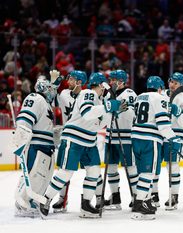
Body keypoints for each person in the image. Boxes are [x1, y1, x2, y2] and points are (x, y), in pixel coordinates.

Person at [38, 72, 124, 218]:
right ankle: (45, 200)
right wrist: (109, 107)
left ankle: (85, 205)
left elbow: (98, 125)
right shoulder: (88, 93)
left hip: (89, 141)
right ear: (102, 85)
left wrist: (112, 113)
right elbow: (87, 113)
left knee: (95, 171)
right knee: (66, 173)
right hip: (74, 138)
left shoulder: (99, 100)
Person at [131, 76, 182, 220]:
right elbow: (163, 123)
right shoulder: (161, 98)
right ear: (160, 88)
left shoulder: (139, 97)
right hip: (150, 139)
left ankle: (145, 200)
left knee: (142, 172)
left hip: (135, 137)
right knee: (149, 173)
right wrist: (173, 138)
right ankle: (139, 204)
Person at [13, 75, 57, 217]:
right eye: (50, 88)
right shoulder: (35, 98)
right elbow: (24, 120)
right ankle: (23, 203)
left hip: (45, 145)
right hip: (36, 145)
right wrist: (22, 135)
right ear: (43, 88)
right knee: (34, 174)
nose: (52, 91)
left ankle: (32, 201)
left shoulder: (44, 102)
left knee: (42, 176)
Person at [97, 69, 138, 210]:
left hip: (125, 136)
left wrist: (120, 109)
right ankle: (115, 197)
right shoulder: (108, 95)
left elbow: (133, 115)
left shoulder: (130, 94)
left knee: (130, 168)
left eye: (114, 79)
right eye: (111, 79)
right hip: (110, 135)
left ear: (122, 81)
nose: (111, 82)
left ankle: (136, 196)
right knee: (111, 168)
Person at [51, 70, 88, 213]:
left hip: (86, 137)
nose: (68, 81)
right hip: (70, 136)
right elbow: (50, 99)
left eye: (72, 79)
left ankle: (97, 198)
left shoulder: (88, 96)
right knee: (64, 171)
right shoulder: (65, 93)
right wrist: (53, 85)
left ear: (79, 82)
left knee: (93, 170)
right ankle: (62, 200)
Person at [160, 72, 183, 210]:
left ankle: (174, 195)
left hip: (175, 134)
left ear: (181, 84)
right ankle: (153, 195)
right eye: (171, 81)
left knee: (172, 165)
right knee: (154, 166)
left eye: (176, 83)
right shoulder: (161, 94)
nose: (172, 85)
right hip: (158, 133)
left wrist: (177, 111)